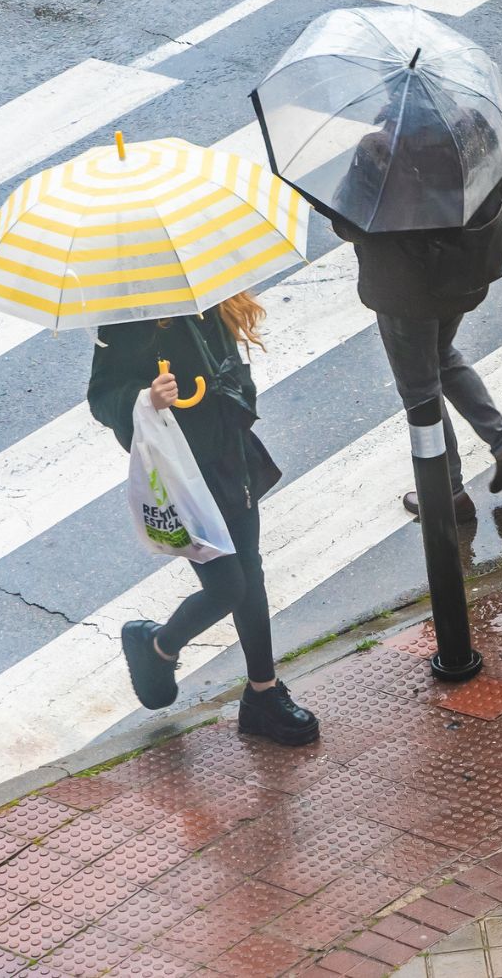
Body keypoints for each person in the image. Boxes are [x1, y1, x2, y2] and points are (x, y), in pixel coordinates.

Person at [86, 291, 319, 746]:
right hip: (179, 470)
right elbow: (101, 397)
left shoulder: (209, 299)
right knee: (228, 585)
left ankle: (263, 693)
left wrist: (231, 390)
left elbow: (232, 372)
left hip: (229, 456)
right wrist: (146, 399)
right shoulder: (129, 317)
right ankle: (157, 646)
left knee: (250, 571)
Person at [330, 110, 502, 522]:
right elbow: (498, 191)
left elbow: (348, 223)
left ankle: (447, 494)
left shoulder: (379, 151)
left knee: (419, 390)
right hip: (463, 276)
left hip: (407, 290)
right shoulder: (474, 129)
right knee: (441, 354)